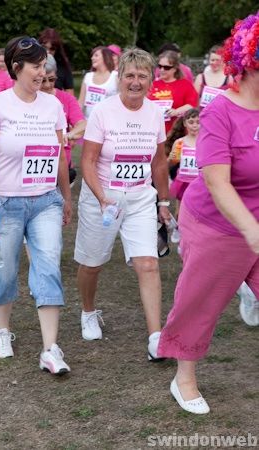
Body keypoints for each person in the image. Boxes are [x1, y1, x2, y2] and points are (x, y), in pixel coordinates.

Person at [158, 12, 259, 414]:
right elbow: (217, 181)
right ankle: (183, 377)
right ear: (251, 62)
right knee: (200, 301)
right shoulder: (220, 112)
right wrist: (251, 229)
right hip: (218, 225)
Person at [0, 36, 72, 375]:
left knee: (48, 266)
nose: (42, 71)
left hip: (46, 200)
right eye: (35, 65)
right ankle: (2, 329)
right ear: (17, 68)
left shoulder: (54, 106)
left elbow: (59, 156)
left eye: (45, 64)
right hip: (6, 202)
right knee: (4, 270)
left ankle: (50, 348)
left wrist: (66, 196)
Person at [74, 48, 170, 361]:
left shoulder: (155, 113)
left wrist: (164, 201)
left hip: (141, 197)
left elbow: (158, 162)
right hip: (103, 197)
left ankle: (156, 337)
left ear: (151, 81)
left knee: (148, 262)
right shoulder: (103, 111)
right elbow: (87, 160)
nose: (136, 81)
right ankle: (88, 311)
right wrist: (102, 198)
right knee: (93, 263)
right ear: (120, 79)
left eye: (143, 76)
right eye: (130, 75)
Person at [40, 54, 86, 184]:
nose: (48, 85)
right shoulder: (28, 99)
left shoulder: (66, 98)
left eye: (52, 79)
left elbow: (82, 124)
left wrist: (69, 135)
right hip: (33, 161)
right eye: (42, 80)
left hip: (62, 163)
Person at [167, 108, 200, 243]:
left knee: (199, 211)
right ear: (185, 123)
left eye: (198, 122)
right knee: (180, 210)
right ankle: (178, 229)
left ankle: (195, 234)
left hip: (199, 183)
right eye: (191, 122)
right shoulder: (180, 142)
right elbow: (170, 164)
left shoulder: (206, 141)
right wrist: (172, 160)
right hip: (183, 181)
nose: (195, 125)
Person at [148, 51, 198, 134]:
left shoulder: (185, 85)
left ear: (175, 68)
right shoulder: (153, 84)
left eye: (166, 67)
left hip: (176, 131)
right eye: (160, 66)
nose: (162, 70)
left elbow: (192, 105)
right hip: (154, 131)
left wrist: (176, 111)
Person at [78, 46, 118, 120]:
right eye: (92, 56)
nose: (92, 58)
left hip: (108, 122)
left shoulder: (116, 76)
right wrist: (77, 120)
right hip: (88, 121)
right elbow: (81, 102)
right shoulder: (88, 76)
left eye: (96, 55)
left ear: (106, 57)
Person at [38, 28, 74, 95]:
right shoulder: (31, 64)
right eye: (44, 47)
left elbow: (70, 94)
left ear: (57, 50)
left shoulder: (63, 66)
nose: (47, 51)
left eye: (52, 49)